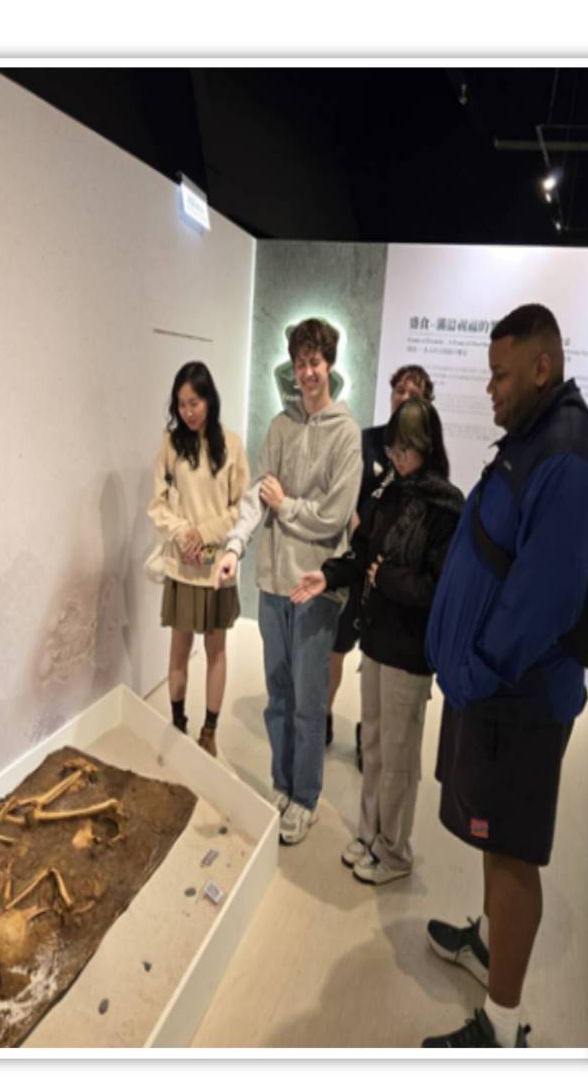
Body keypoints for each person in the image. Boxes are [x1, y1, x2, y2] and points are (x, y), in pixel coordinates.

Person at [422, 303, 588, 1049]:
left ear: (542, 367)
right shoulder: (535, 440)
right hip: (496, 694)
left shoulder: (563, 456)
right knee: (491, 838)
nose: (490, 390)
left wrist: (474, 671)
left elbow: (542, 599)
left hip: (517, 701)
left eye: (501, 375)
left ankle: (500, 1026)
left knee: (511, 852)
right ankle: (488, 946)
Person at [290, 398, 463, 885]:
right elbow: (362, 554)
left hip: (410, 651)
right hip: (378, 641)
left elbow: (437, 587)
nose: (398, 457)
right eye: (394, 447)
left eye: (407, 448)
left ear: (426, 447)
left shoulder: (447, 506)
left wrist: (384, 578)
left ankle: (395, 851)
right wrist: (331, 574)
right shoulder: (388, 494)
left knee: (400, 756)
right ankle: (370, 835)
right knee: (376, 745)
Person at [216, 318, 362, 846]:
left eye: (315, 362)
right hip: (273, 583)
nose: (307, 372)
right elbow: (258, 494)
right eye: (300, 363)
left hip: (315, 585)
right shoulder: (280, 427)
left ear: (329, 364)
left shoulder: (345, 434)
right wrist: (235, 547)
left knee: (307, 701)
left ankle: (306, 798)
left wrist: (287, 505)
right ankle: (282, 785)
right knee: (277, 695)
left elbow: (334, 515)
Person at [329, 364, 435, 767]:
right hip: (359, 565)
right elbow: (348, 499)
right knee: (335, 649)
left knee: (374, 661)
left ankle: (365, 735)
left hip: (394, 578)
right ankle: (322, 716)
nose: (404, 396)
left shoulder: (427, 460)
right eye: (399, 389)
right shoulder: (367, 442)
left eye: (414, 392)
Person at [148, 362, 248, 756]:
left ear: (210, 400)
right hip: (181, 565)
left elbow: (241, 508)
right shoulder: (170, 444)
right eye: (182, 403)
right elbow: (156, 503)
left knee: (216, 649)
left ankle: (209, 731)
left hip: (216, 567)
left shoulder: (232, 444)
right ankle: (176, 722)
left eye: (195, 402)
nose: (188, 411)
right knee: (178, 648)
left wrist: (202, 533)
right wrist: (180, 532)